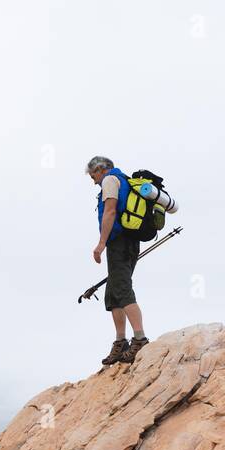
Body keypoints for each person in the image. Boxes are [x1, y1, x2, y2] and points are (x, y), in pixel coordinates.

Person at [88, 156, 148, 365]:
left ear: (100, 169)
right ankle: (120, 341)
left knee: (122, 289)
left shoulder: (110, 181)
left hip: (119, 241)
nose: (93, 181)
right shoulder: (122, 180)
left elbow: (111, 210)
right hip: (129, 241)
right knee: (113, 292)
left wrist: (101, 243)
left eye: (93, 175)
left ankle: (139, 339)